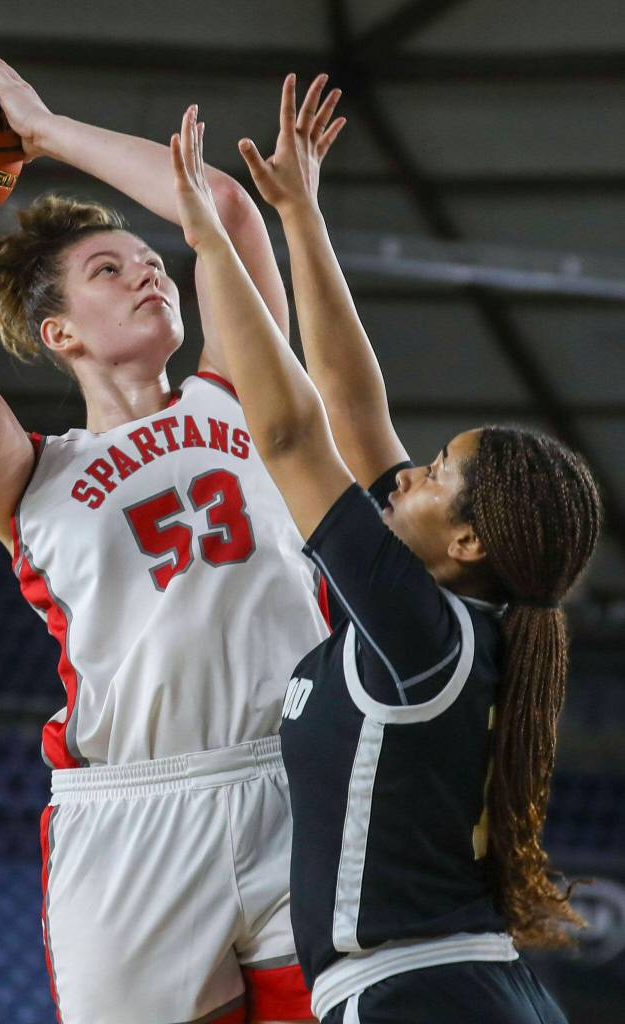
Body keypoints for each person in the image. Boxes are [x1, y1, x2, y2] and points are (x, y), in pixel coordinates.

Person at [0, 42, 332, 1024]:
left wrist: (44, 130)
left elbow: (224, 215)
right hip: (130, 810)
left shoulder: (237, 393)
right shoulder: (31, 474)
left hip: (297, 776)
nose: (150, 276)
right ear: (57, 332)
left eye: (153, 264)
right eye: (111, 270)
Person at [168, 74, 602, 1023]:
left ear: (468, 538)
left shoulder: (423, 633)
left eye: (435, 473)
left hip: (416, 995)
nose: (406, 474)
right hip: (464, 990)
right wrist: (301, 216)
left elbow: (291, 436)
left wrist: (213, 247)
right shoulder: (444, 626)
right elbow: (355, 410)